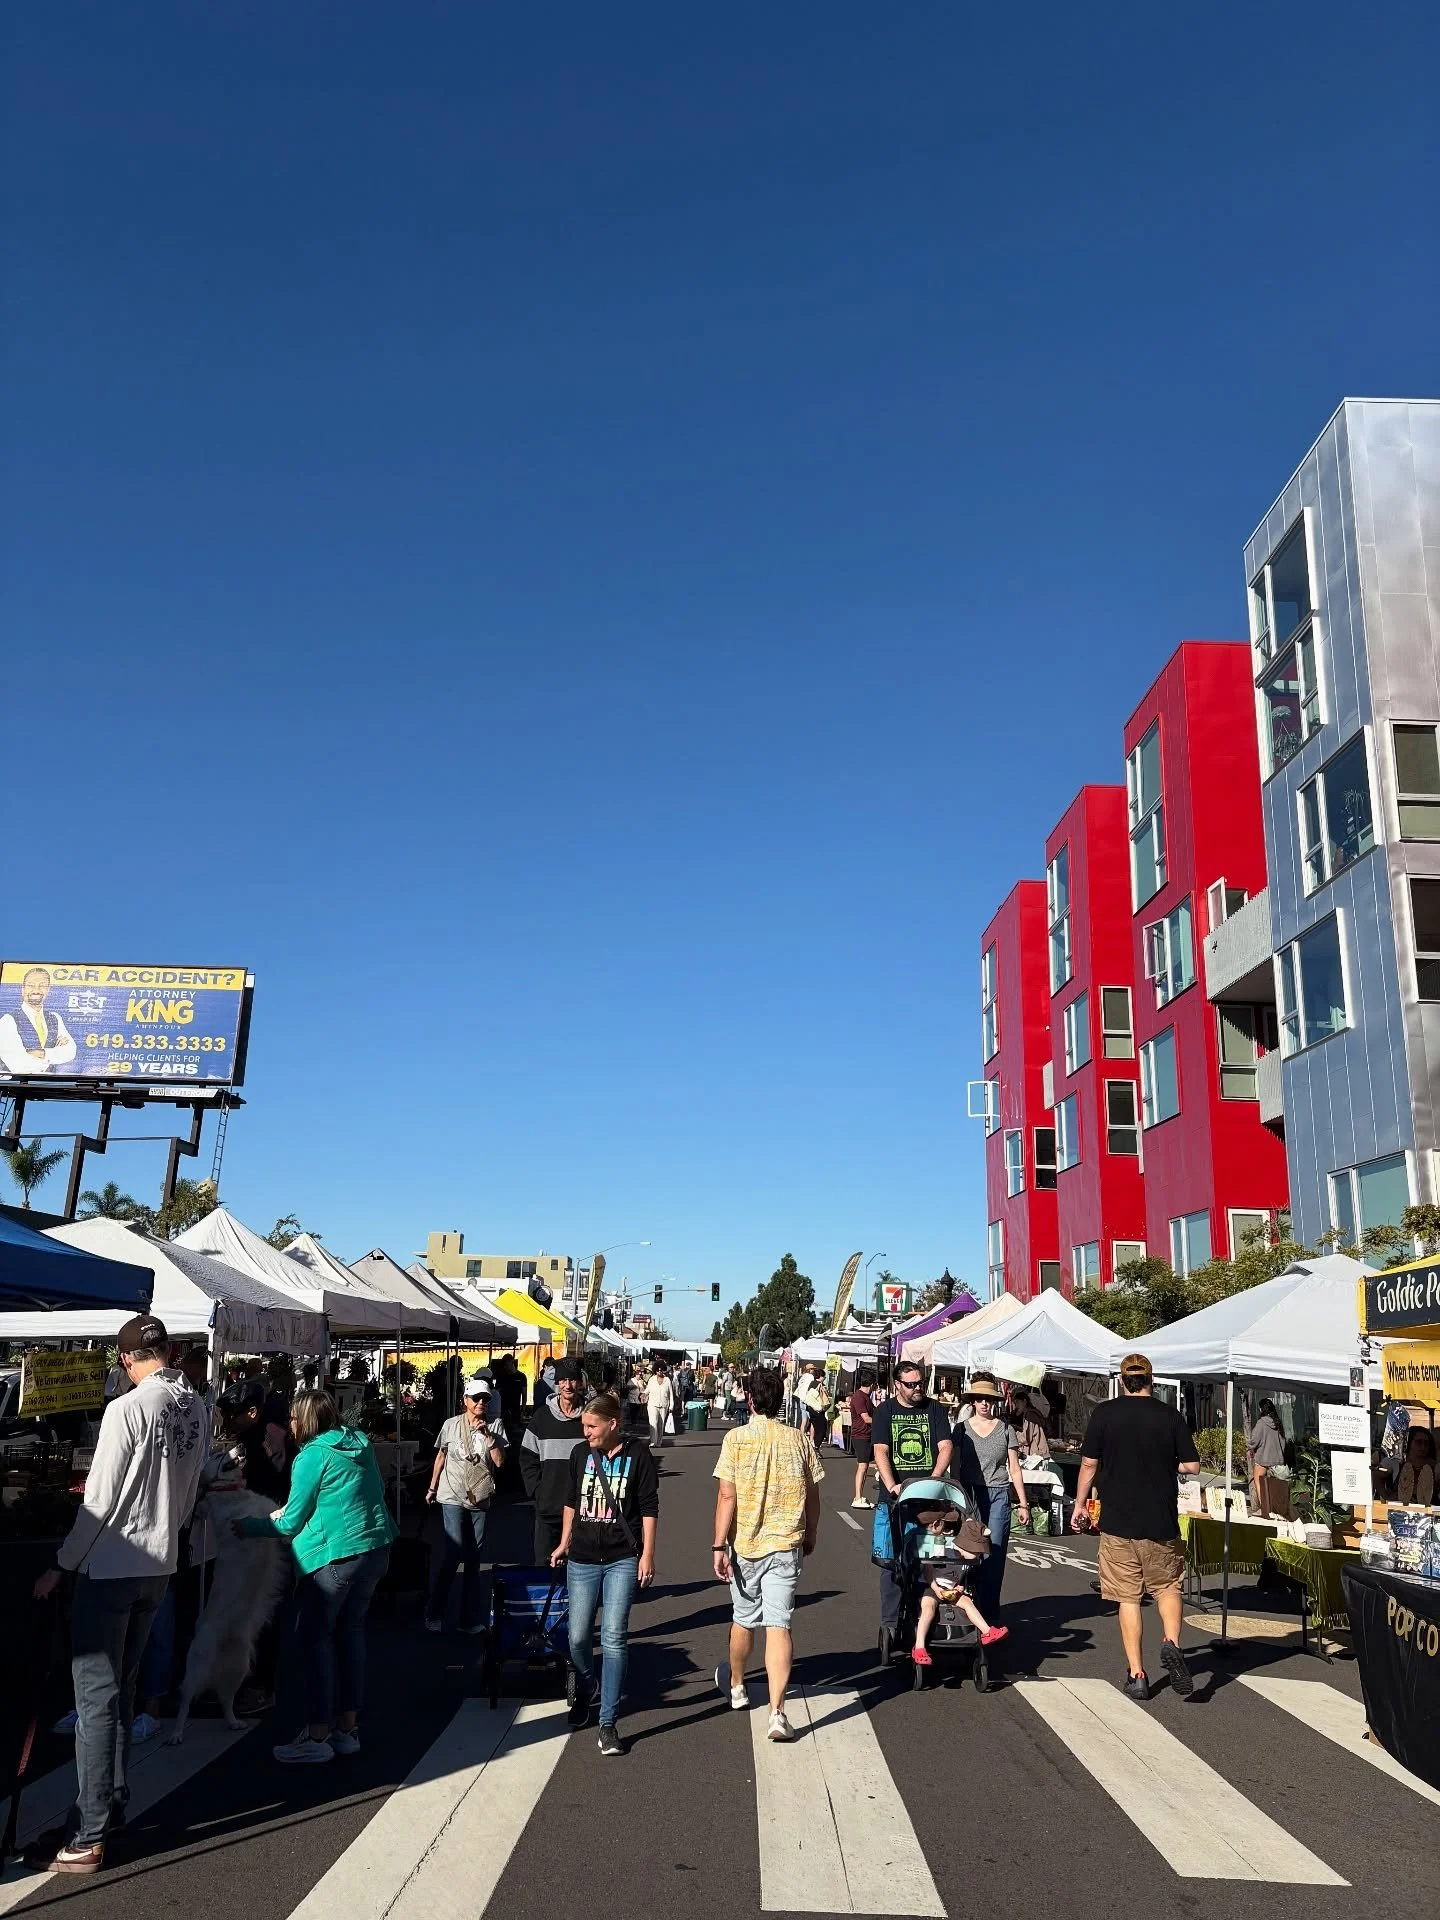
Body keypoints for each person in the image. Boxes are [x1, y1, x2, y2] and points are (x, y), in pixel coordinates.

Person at [27, 1314, 205, 1874]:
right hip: (160, 1560)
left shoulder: (128, 1408)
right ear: (169, 1351)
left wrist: (61, 1564)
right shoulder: (193, 1404)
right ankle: (112, 1805)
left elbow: (98, 1501)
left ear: (128, 1360)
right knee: (120, 1693)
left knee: (96, 1701)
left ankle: (90, 1828)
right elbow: (189, 1487)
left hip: (113, 1565)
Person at [236, 1388, 397, 1762]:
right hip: (374, 1548)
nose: (290, 1424)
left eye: (293, 1417)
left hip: (333, 1556)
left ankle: (318, 1734)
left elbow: (291, 1520)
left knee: (316, 1640)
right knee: (351, 1634)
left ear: (306, 1419)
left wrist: (249, 1527)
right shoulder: (358, 1441)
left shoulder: (312, 1455)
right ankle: (347, 1728)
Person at [1072, 1351, 1200, 1701]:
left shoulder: (1105, 1414)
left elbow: (1087, 1463)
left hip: (1117, 1522)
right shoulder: (1169, 1416)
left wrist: (1080, 1504)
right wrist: (1165, 1463)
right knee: (1168, 1587)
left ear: (1121, 1380)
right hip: (1160, 1520)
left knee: (1128, 1597)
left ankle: (1137, 1674)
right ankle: (1171, 1643)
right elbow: (1192, 1467)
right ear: (1152, 1380)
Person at [712, 1368, 824, 1742]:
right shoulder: (799, 1440)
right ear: (780, 1401)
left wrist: (718, 1544)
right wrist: (811, 1531)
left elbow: (727, 1496)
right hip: (787, 1543)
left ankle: (739, 1685)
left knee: (743, 1619)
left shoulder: (736, 1439)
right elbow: (813, 1495)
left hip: (746, 1544)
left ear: (749, 1398)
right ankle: (777, 1712)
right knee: (780, 1623)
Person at [551, 1392, 659, 1757]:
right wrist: (564, 1542)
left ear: (613, 1424)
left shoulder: (638, 1455)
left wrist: (647, 1554)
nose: (586, 1432)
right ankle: (586, 1686)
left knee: (614, 1636)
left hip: (621, 1558)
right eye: (583, 1426)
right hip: (581, 1556)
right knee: (578, 1636)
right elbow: (571, 1500)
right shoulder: (580, 1454)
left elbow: (648, 1507)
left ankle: (608, 1722)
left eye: (591, 1426)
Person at [873, 1360, 954, 1637]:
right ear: (897, 1385)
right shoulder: (885, 1412)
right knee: (891, 1561)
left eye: (920, 1383)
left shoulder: (934, 1409)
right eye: (911, 1384)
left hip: (928, 1500)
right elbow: (881, 1451)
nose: (918, 1388)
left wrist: (934, 1478)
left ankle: (925, 1616)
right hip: (894, 1499)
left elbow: (945, 1446)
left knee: (928, 1558)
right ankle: (890, 1623)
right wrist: (892, 1484)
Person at [424, 1377, 508, 1632]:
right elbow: (441, 1455)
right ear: (465, 1401)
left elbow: (501, 1463)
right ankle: (435, 1613)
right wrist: (432, 1486)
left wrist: (488, 1437)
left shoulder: (495, 1425)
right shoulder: (450, 1425)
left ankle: (468, 1619)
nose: (481, 1403)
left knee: (473, 1559)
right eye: (476, 1399)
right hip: (451, 1495)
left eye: (486, 1399)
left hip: (479, 1497)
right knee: (453, 1553)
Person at [952, 1375, 1029, 1624]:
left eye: (988, 1399)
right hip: (970, 1493)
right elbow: (955, 1465)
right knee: (970, 1550)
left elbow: (1014, 1468)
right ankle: (968, 1603)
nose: (984, 1403)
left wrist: (1023, 1503)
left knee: (993, 1552)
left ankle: (989, 1615)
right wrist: (955, 1496)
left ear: (995, 1401)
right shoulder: (961, 1429)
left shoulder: (1005, 1429)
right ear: (973, 1401)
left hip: (998, 1494)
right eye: (979, 1399)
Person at [908, 1503, 1008, 1665]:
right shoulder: (942, 1549)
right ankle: (919, 1647)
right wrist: (936, 1588)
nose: (977, 1556)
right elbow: (928, 1572)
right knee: (928, 1608)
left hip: (952, 1589)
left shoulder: (967, 1561)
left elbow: (961, 1577)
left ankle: (987, 1631)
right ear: (964, 1545)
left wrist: (960, 1586)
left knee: (968, 1603)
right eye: (975, 1552)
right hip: (933, 1586)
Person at [520, 1357, 588, 1563]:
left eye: (573, 1380)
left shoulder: (590, 1418)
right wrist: (538, 1491)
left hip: (583, 1513)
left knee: (580, 1571)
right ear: (557, 1383)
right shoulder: (541, 1418)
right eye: (563, 1380)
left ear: (580, 1383)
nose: (568, 1385)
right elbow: (527, 1458)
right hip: (548, 1509)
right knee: (543, 1566)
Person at [0, 965, 78, 1077]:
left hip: (48, 1087)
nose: (36, 990)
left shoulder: (55, 1018)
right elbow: (18, 1065)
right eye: (31, 985)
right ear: (23, 989)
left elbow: (70, 1051)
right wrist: (53, 1055)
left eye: (42, 986)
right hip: (14, 1087)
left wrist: (43, 1053)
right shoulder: (7, 1020)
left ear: (48, 990)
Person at [1246, 1398, 1291, 1518]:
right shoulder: (1278, 1422)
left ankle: (1265, 1508)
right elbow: (1283, 1441)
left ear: (1261, 1409)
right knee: (1276, 1486)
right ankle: (1278, 1509)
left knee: (1259, 1482)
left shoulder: (1261, 1423)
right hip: (1278, 1459)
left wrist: (1249, 1446)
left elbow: (1254, 1440)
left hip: (1263, 1459)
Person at [849, 1372, 877, 1507]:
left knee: (870, 1462)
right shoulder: (859, 1397)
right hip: (861, 1435)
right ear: (872, 1384)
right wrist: (881, 1421)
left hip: (868, 1435)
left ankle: (860, 1496)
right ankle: (857, 1497)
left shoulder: (866, 1397)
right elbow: (866, 1418)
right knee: (862, 1465)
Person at [1392, 1423, 1436, 1505]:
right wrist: (1386, 1495)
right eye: (1418, 1442)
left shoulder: (1435, 1466)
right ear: (1409, 1442)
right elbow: (1377, 1474)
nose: (1423, 1447)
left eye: (1426, 1443)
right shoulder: (1397, 1462)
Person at [1009, 1386, 1051, 1459]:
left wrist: (1012, 1433)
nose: (1016, 1405)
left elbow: (1025, 1439)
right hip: (1037, 1454)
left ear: (1025, 1401)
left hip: (1038, 1455)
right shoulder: (1029, 1414)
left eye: (1017, 1402)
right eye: (1015, 1403)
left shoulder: (1030, 1415)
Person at [645, 1362, 675, 1449]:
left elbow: (671, 1394)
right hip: (652, 1404)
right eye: (658, 1370)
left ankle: (659, 1442)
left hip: (664, 1404)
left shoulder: (667, 1380)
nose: (660, 1372)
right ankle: (653, 1442)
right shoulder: (652, 1379)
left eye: (661, 1370)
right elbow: (648, 1390)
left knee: (660, 1424)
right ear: (655, 1370)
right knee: (653, 1423)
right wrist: (643, 1394)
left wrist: (671, 1405)